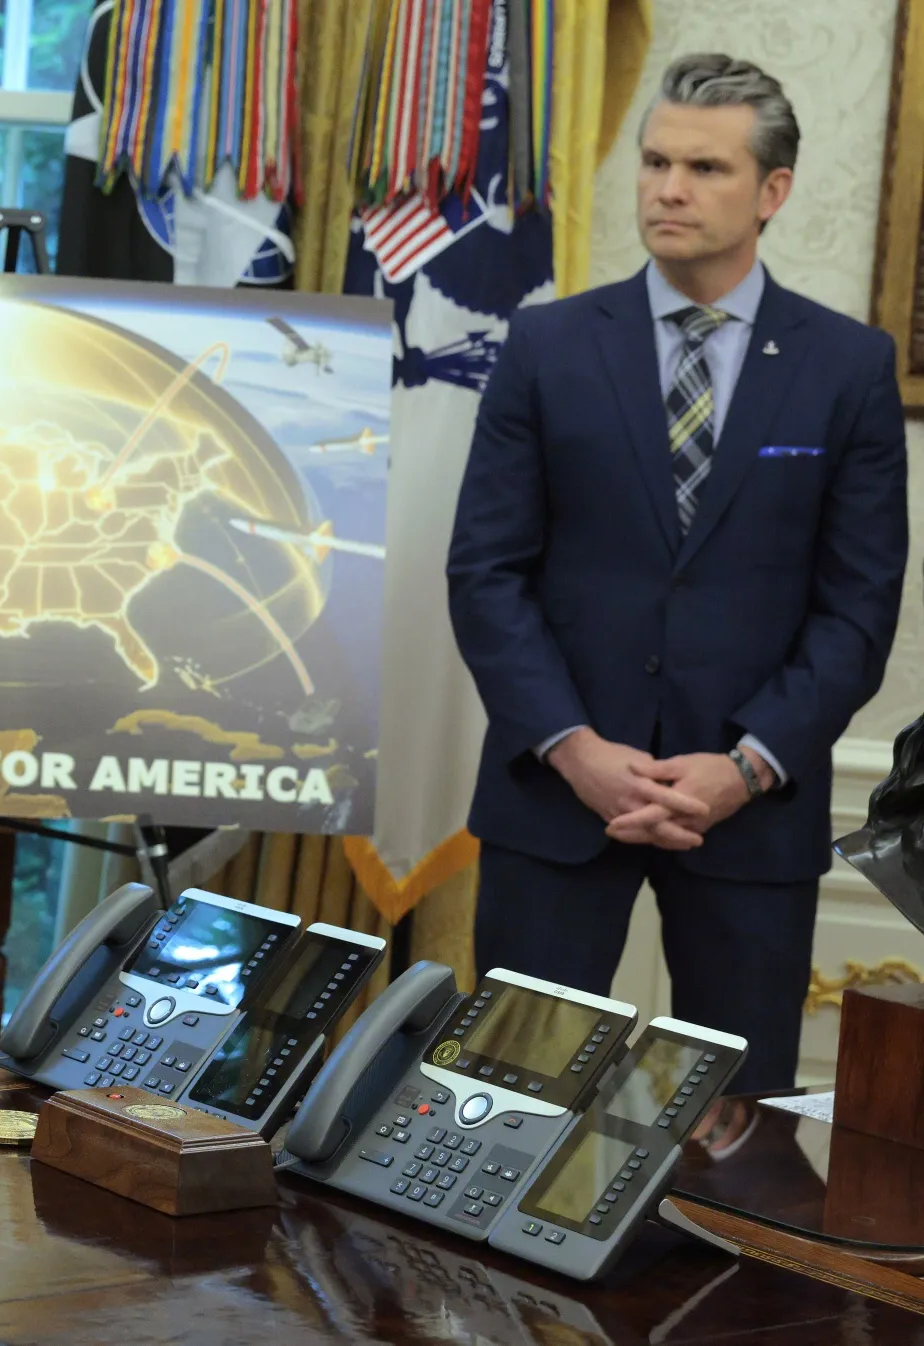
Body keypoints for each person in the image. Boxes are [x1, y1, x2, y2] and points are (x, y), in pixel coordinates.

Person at [447, 53, 908, 1093]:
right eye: (655, 162)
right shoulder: (546, 345)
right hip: (555, 801)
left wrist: (743, 766)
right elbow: (486, 574)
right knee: (508, 1102)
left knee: (735, 1133)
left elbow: (856, 608)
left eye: (704, 167)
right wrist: (574, 750)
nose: (667, 188)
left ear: (771, 190)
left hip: (749, 817)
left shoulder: (845, 367)